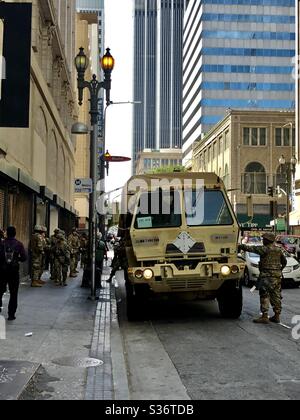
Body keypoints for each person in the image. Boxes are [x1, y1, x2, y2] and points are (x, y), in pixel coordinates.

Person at [238, 232, 287, 324]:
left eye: (264, 239)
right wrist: (279, 270)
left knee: (265, 295)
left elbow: (251, 248)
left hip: (266, 276)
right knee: (276, 296)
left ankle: (264, 316)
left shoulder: (265, 249)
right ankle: (277, 316)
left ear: (268, 240)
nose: (263, 240)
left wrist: (241, 246)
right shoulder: (278, 250)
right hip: (277, 276)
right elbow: (284, 262)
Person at [0, 226, 27, 321]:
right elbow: (24, 258)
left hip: (2, 272)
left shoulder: (2, 243)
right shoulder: (19, 244)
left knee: (0, 291)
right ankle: (11, 314)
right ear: (15, 233)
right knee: (13, 293)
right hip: (14, 272)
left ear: (7, 233)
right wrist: (16, 259)